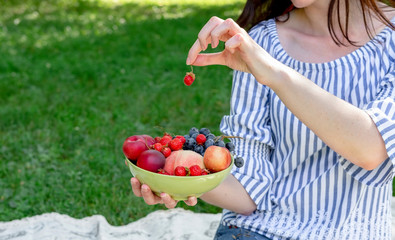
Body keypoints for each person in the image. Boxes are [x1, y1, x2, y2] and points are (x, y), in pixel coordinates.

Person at [131, 0, 395, 239]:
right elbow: (248, 192)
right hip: (257, 232)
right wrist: (177, 178)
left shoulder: (391, 39)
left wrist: (273, 72)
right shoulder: (260, 42)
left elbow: (370, 149)